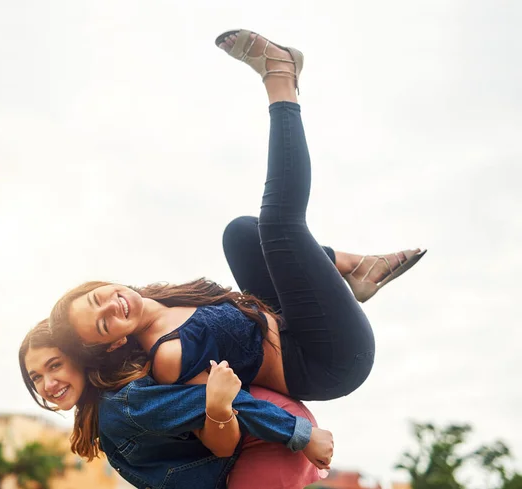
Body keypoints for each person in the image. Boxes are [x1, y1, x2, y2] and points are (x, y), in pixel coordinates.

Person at [48, 29, 426, 408]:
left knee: (241, 234)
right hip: (328, 358)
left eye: (99, 298)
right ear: (113, 342)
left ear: (105, 284)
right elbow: (235, 406)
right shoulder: (168, 357)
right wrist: (300, 436)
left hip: (287, 325)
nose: (111, 308)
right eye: (103, 324)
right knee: (279, 224)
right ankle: (280, 77)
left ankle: (356, 267)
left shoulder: (165, 299)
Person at [20, 321, 332, 489]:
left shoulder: (120, 405)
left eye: (55, 365)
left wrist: (300, 433)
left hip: (266, 435)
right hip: (262, 431)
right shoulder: (105, 410)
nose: (48, 384)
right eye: (36, 377)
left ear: (79, 357)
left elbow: (212, 397)